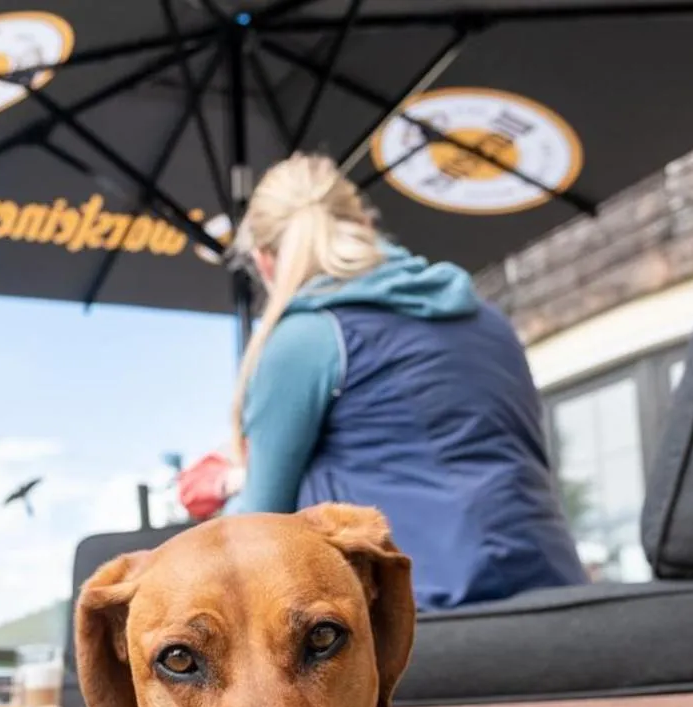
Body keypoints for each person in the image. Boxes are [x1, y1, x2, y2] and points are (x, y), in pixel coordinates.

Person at [176, 154, 587, 612]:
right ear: (364, 225)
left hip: (422, 615)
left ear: (265, 262)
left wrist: (225, 492)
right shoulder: (488, 319)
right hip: (559, 596)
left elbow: (258, 526)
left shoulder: (308, 337)